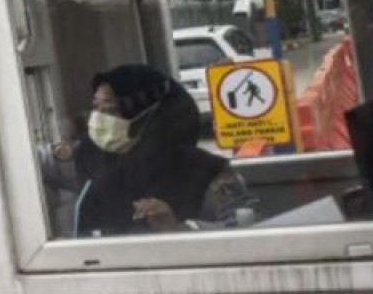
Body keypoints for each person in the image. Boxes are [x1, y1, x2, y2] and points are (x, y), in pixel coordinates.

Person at [47, 64, 257, 237]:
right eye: (96, 107)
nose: (99, 119)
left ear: (145, 116)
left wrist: (179, 228)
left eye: (110, 109)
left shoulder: (208, 172)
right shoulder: (87, 156)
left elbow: (244, 231)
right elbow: (33, 163)